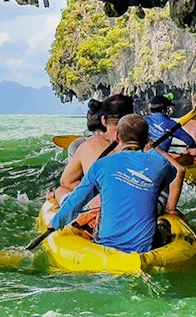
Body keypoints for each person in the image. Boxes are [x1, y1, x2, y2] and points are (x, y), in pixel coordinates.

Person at [48, 114, 185, 254]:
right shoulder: (159, 163)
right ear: (147, 138)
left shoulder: (100, 165)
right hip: (146, 247)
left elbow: (76, 201)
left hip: (106, 244)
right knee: (161, 209)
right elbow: (175, 173)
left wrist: (55, 223)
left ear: (118, 136)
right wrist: (154, 151)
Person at [49, 93, 134, 205]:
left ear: (103, 120)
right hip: (131, 203)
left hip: (97, 203)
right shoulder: (143, 146)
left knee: (60, 190)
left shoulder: (85, 146)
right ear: (132, 120)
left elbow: (66, 181)